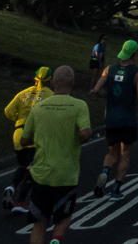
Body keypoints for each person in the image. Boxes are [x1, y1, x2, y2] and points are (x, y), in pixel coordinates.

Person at [19, 66, 91, 244]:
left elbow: (24, 140)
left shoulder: (38, 108)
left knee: (39, 221)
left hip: (41, 174)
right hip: (66, 174)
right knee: (64, 217)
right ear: (72, 83)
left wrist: (41, 136)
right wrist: (76, 139)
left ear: (52, 83)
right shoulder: (79, 106)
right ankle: (56, 239)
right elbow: (86, 133)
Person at [91, 39, 138, 200]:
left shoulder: (109, 69)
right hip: (128, 118)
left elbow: (96, 89)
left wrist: (107, 96)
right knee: (125, 153)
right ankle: (116, 189)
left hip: (111, 118)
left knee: (112, 152)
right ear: (134, 55)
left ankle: (104, 172)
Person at [2, 66, 54, 213]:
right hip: (34, 135)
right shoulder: (50, 95)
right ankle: (20, 201)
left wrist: (18, 119)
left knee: (22, 165)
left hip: (18, 133)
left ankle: (12, 186)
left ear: (35, 78)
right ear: (50, 80)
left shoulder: (23, 93)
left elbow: (8, 111)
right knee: (34, 168)